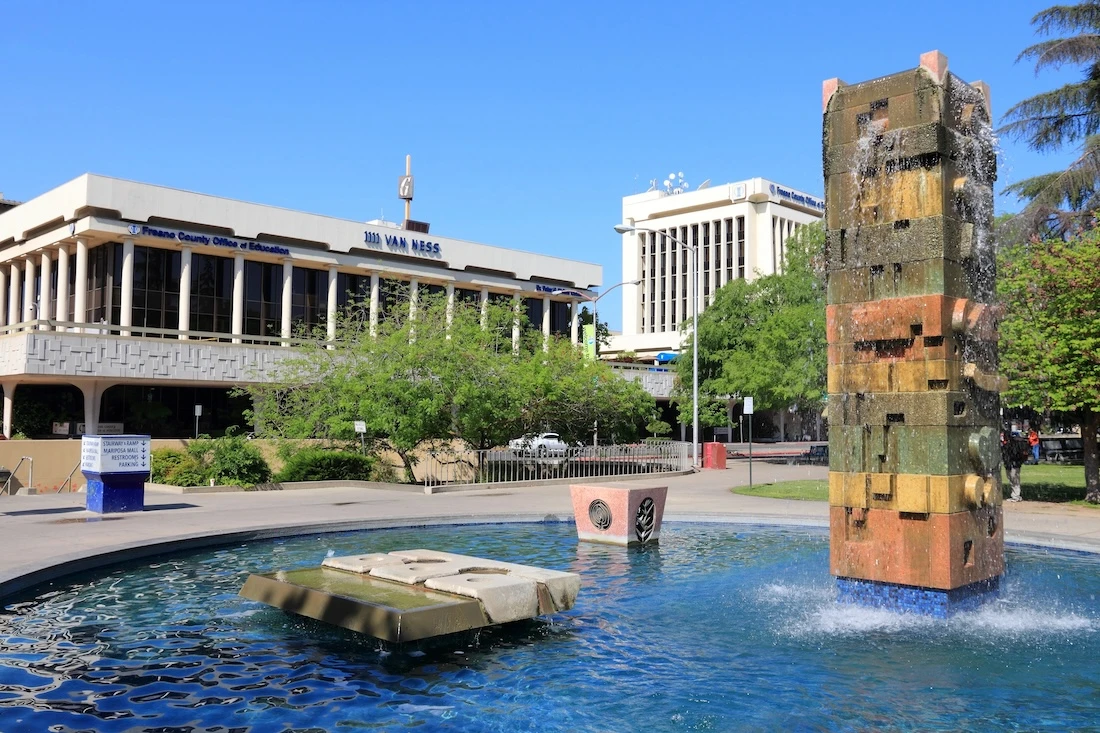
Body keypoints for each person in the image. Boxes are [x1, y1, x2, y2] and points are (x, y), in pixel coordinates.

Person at [1002, 431, 1027, 502]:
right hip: (1010, 464)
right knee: (1012, 479)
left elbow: (1015, 455)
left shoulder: (1013, 445)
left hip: (1014, 464)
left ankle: (1016, 495)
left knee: (1014, 478)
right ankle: (1015, 495)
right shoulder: (1006, 445)